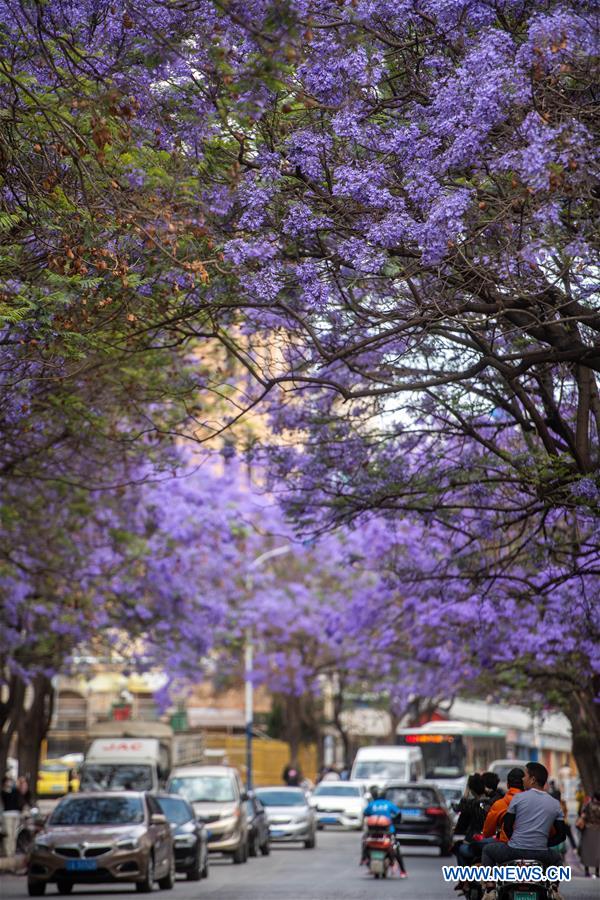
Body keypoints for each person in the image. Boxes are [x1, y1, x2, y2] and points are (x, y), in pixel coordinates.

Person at [481, 762, 566, 868]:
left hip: (515, 851)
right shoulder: (555, 804)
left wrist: (516, 842)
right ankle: (555, 879)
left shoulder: (518, 798)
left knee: (487, 850)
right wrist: (544, 844)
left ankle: (490, 878)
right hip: (541, 853)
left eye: (525, 776)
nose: (523, 779)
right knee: (558, 860)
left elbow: (507, 827)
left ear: (532, 780)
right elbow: (561, 835)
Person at [362, 785, 407, 877]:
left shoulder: (372, 805)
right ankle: (403, 871)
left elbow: (365, 813)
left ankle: (364, 859)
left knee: (365, 843)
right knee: (396, 849)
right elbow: (398, 813)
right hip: (389, 832)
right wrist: (395, 821)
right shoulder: (388, 804)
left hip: (372, 832)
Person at [482, 767, 524, 842]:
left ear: (507, 785)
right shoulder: (533, 803)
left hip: (507, 844)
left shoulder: (499, 805)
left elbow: (487, 832)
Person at [454, 773, 487, 864]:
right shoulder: (493, 802)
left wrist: (465, 795)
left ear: (471, 789)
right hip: (491, 843)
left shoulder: (471, 805)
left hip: (474, 844)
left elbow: (461, 826)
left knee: (459, 849)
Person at [578, 789, 600, 878]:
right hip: (598, 830)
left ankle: (586, 871)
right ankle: (597, 872)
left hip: (588, 830)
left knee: (587, 851)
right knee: (597, 851)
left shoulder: (588, 805)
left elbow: (582, 814)